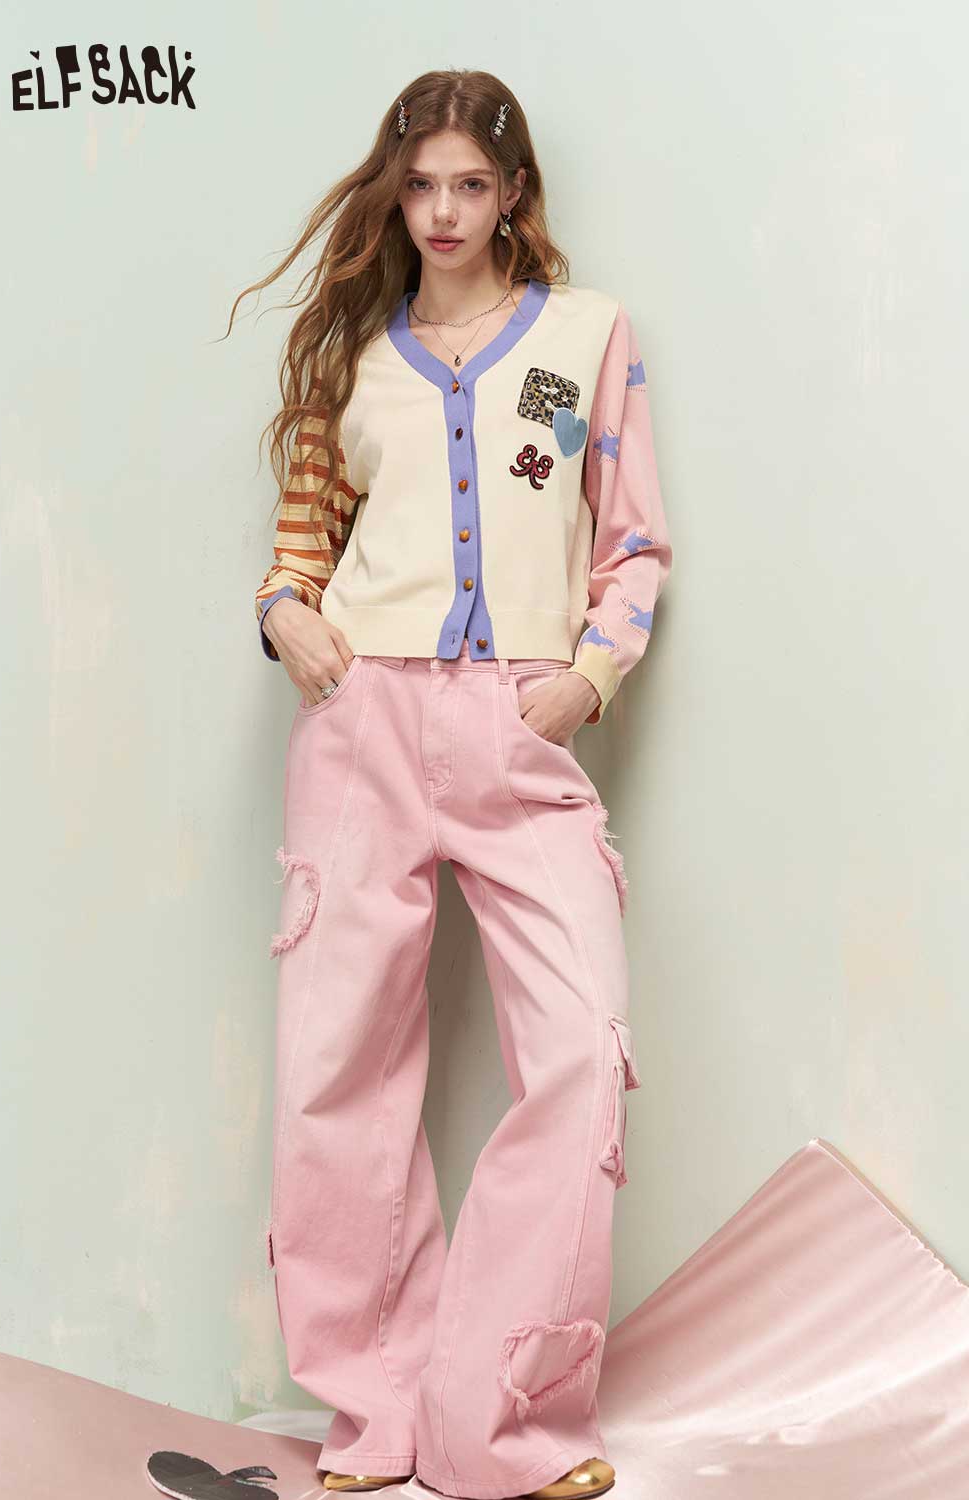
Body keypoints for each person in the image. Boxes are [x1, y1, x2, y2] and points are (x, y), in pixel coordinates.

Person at [231, 68, 673, 1500]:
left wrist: (588, 677)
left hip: (519, 731)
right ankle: (375, 1416)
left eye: (470, 186)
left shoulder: (589, 336)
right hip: (362, 723)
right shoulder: (349, 357)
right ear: (396, 192)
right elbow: (303, 544)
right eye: (419, 185)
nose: (442, 212)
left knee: (583, 1049)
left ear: (512, 192)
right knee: (339, 1074)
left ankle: (501, 1419)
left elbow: (635, 543)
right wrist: (285, 615)